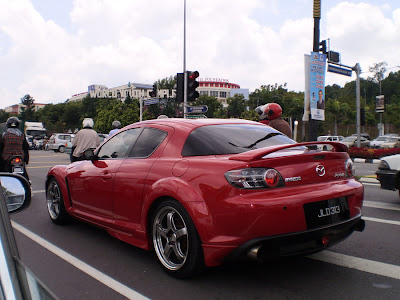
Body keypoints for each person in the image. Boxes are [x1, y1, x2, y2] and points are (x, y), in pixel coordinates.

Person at [0, 117, 30, 181]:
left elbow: (1, 147)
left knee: (2, 172)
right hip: (20, 157)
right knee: (24, 174)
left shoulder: (4, 134)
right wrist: (26, 159)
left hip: (6, 158)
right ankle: (27, 182)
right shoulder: (21, 135)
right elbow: (25, 147)